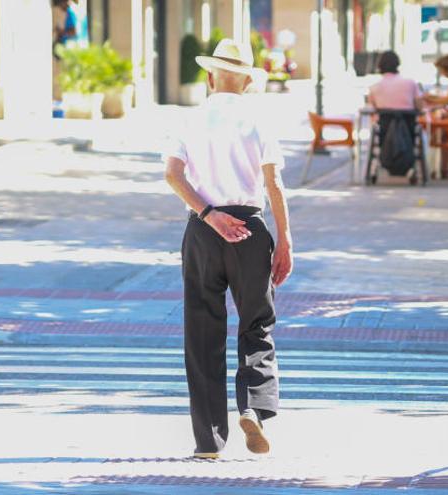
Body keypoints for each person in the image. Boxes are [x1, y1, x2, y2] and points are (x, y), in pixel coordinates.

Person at [164, 38, 292, 460]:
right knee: (257, 323)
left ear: (210, 75)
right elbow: (273, 184)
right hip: (251, 230)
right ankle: (254, 408)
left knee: (202, 332)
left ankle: (207, 443)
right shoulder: (260, 120)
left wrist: (208, 215)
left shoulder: (190, 119)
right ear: (248, 81)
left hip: (203, 231)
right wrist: (285, 239)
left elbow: (173, 175)